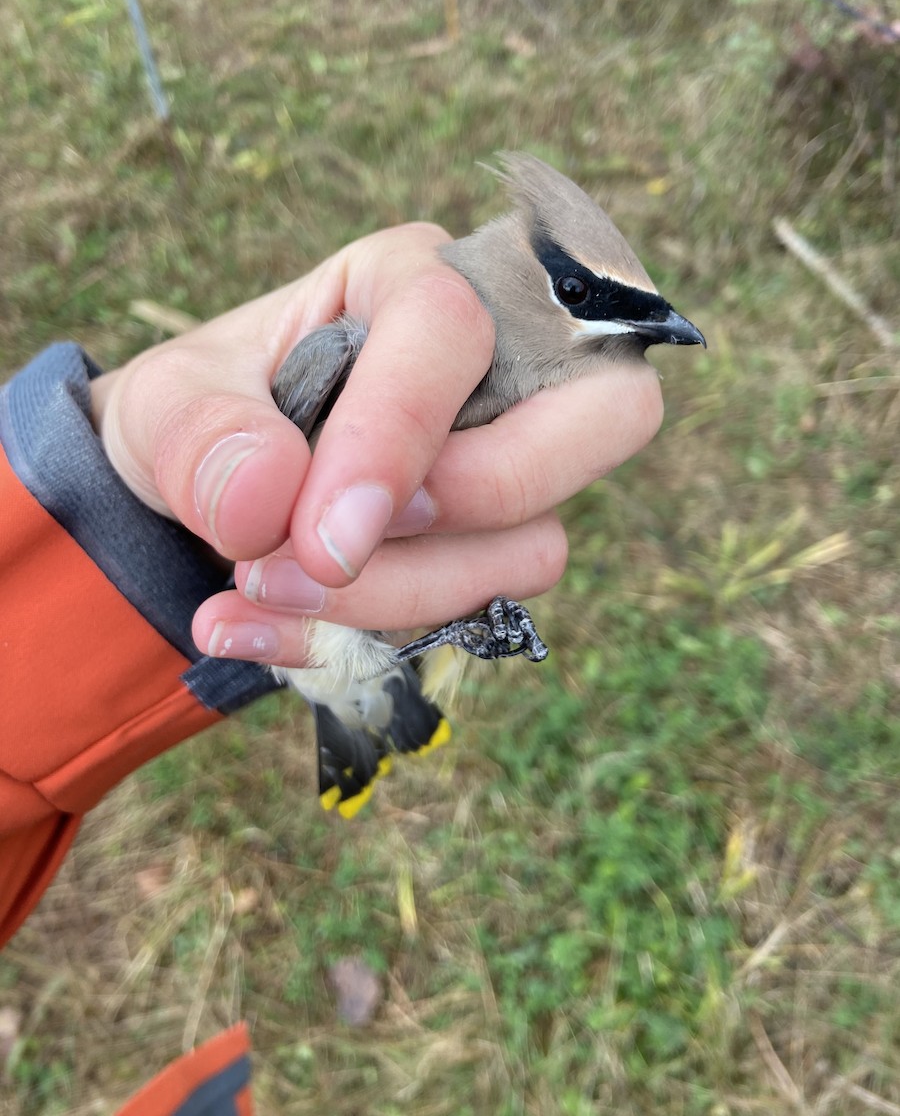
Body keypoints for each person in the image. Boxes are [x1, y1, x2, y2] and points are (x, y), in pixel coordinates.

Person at [0, 222, 664, 1113]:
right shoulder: (348, 352)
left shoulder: (473, 373)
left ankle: (390, 696)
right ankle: (382, 707)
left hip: (268, 622)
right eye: (580, 299)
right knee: (355, 645)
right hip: (297, 621)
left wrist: (115, 474)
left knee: (373, 630)